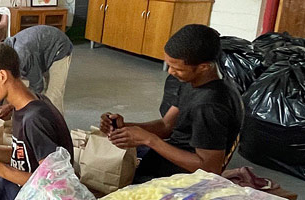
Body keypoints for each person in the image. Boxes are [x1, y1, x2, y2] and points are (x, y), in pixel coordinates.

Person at [101, 24, 242, 182]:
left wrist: (149, 140)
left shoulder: (210, 105)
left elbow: (210, 168)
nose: (170, 72)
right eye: (169, 65)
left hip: (184, 179)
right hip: (169, 158)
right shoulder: (194, 79)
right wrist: (126, 127)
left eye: (177, 68)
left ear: (203, 67)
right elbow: (166, 126)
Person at [0, 41, 74, 200]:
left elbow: (54, 182)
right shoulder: (26, 103)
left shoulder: (35, 119)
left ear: (1, 76)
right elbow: (22, 155)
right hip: (19, 184)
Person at [0, 25, 73, 117]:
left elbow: (37, 86)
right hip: (40, 49)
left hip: (59, 47)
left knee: (53, 96)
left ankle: (57, 128)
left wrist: (11, 105)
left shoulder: (22, 56)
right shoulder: (6, 52)